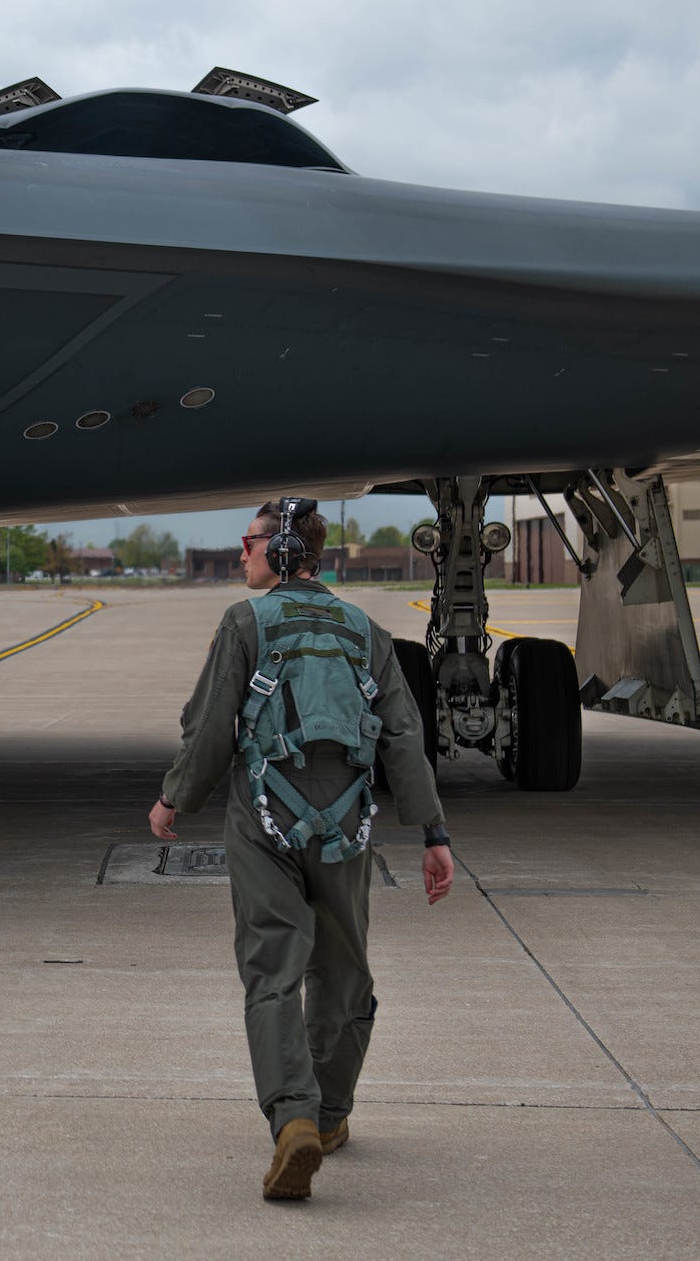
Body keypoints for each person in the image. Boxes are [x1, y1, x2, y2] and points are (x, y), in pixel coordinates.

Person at [150, 499, 453, 1201]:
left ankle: (293, 1119)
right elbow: (405, 736)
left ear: (281, 551)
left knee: (272, 964)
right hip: (347, 823)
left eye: (250, 542)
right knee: (345, 968)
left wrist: (175, 797)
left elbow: (208, 729)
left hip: (264, 819)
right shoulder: (365, 630)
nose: (242, 552)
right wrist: (433, 832)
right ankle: (332, 1113)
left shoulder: (244, 622)